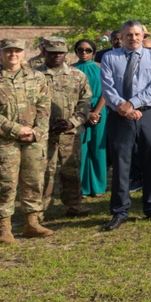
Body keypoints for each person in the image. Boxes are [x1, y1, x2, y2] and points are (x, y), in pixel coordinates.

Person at [100, 19, 151, 230]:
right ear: (121, 36)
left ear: (143, 36)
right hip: (120, 116)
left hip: (148, 114)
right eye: (129, 35)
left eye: (137, 34)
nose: (134, 38)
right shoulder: (110, 57)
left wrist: (133, 104)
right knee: (121, 164)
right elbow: (108, 87)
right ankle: (120, 211)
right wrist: (124, 107)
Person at [0, 38, 52, 243]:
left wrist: (37, 131)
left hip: (33, 140)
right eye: (8, 51)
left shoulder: (37, 77)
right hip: (3, 140)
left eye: (17, 51)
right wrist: (16, 129)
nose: (13, 55)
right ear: (1, 53)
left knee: (34, 180)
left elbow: (45, 107)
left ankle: (32, 223)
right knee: (5, 183)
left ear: (23, 53)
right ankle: (4, 228)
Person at [36, 36, 92, 218]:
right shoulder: (34, 76)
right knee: (44, 171)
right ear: (44, 52)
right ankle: (41, 209)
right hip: (44, 134)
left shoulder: (77, 76)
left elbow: (85, 102)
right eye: (52, 53)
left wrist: (72, 122)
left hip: (70, 132)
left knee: (71, 169)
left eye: (60, 52)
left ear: (65, 53)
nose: (56, 56)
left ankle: (74, 204)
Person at [73, 39, 108, 197]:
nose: (84, 53)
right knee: (81, 148)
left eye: (88, 50)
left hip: (99, 109)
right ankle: (81, 187)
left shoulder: (101, 69)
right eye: (80, 50)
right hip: (77, 112)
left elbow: (107, 91)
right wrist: (85, 114)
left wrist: (96, 112)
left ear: (94, 52)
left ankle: (98, 186)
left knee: (98, 147)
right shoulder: (70, 70)